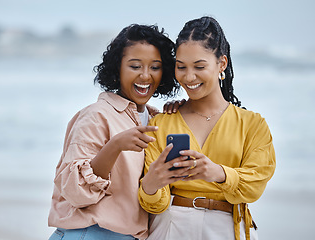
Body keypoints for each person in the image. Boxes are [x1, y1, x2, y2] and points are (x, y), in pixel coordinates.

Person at [138, 16, 276, 240]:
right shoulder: (161, 123)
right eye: (181, 67)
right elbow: (156, 204)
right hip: (171, 226)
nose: (189, 77)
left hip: (226, 227)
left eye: (199, 66)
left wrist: (219, 173)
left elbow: (256, 183)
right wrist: (151, 185)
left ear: (221, 63)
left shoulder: (252, 124)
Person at [48, 24, 180, 240]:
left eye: (155, 67)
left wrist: (183, 113)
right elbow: (74, 192)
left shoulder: (159, 120)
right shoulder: (96, 115)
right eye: (135, 66)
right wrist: (115, 146)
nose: (146, 76)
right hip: (88, 234)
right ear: (117, 68)